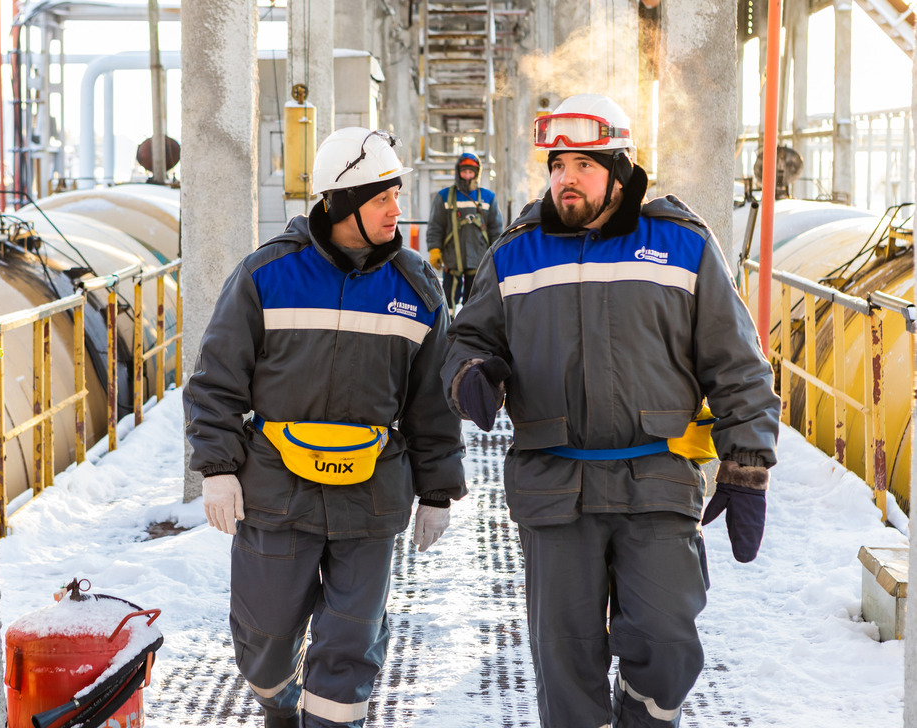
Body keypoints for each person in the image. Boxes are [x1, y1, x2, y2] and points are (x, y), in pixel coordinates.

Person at [442, 93, 780, 727]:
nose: (565, 179)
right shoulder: (516, 251)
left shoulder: (681, 245)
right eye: (557, 165)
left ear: (620, 171)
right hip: (553, 483)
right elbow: (468, 339)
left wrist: (748, 462)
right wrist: (469, 375)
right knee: (565, 661)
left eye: (583, 165)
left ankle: (643, 714)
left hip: (656, 477)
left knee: (669, 643)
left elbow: (736, 361)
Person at [184, 127, 466, 728]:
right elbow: (216, 380)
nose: (397, 209)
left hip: (371, 497)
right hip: (275, 491)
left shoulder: (417, 288)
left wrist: (437, 490)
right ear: (341, 204)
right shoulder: (266, 275)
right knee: (263, 638)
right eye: (382, 198)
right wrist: (216, 468)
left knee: (351, 642)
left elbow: (430, 404)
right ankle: (279, 706)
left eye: (398, 194)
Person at [425, 152, 503, 314]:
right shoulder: (444, 197)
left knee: (475, 301)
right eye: (464, 172)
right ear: (458, 171)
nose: (467, 176)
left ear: (477, 173)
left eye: (471, 172)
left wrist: (497, 256)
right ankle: (447, 332)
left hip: (479, 261)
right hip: (452, 261)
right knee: (448, 303)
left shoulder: (488, 198)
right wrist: (434, 250)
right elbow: (436, 226)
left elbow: (496, 230)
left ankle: (470, 333)